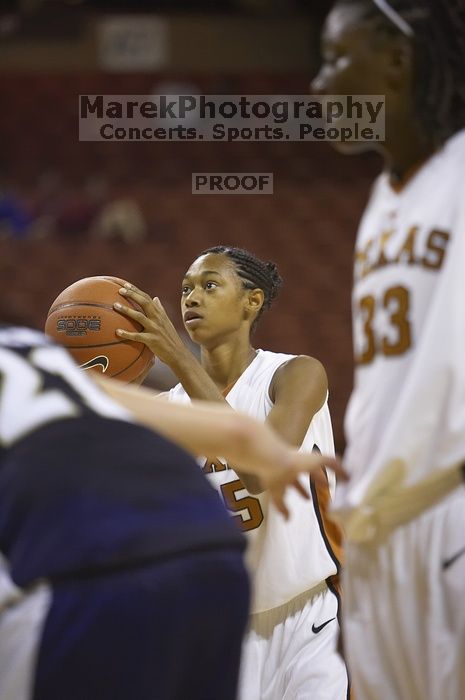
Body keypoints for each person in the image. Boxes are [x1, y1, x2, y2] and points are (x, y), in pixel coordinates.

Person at [0, 324, 343, 700]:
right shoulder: (32, 351)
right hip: (212, 560)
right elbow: (240, 436)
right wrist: (276, 459)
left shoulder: (287, 371)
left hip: (101, 574)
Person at [311, 1, 465, 698]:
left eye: (336, 58)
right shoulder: (382, 197)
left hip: (446, 509)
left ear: (397, 61)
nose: (318, 85)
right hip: (375, 528)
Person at [114, 245, 350, 699]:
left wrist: (178, 357)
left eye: (209, 285)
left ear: (252, 301)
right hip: (218, 628)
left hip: (309, 617)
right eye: (185, 288)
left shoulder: (294, 373)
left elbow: (261, 469)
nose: (191, 298)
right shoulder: (166, 413)